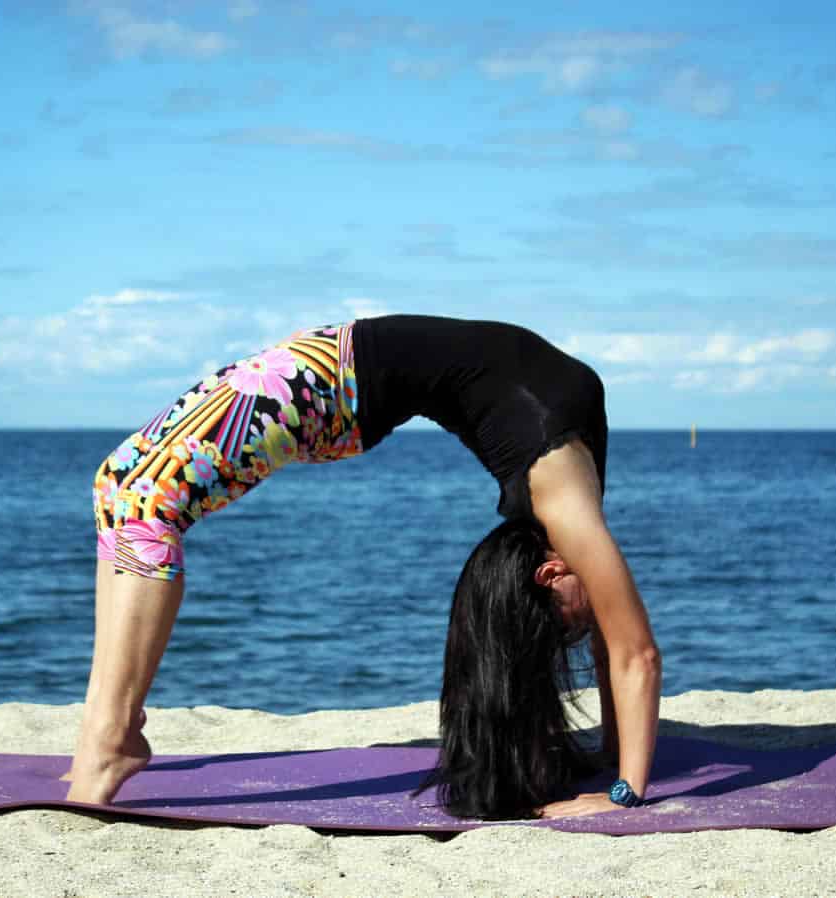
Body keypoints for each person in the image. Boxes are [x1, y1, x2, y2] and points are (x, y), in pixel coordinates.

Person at [62, 315, 661, 820]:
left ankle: (109, 734)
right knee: (128, 494)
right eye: (572, 626)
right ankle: (111, 729)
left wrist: (616, 757)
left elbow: (621, 640)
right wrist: (624, 791)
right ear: (549, 575)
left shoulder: (565, 509)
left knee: (136, 498)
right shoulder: (568, 509)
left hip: (334, 375)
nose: (592, 623)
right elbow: (635, 650)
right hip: (328, 377)